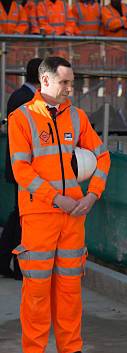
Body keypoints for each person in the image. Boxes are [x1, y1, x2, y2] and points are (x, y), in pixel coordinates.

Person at [8, 56, 111, 353]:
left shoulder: (77, 118)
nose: (71, 88)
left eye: (72, 82)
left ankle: (70, 348)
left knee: (69, 286)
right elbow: (20, 169)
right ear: (46, 81)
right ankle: (34, 352)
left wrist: (92, 195)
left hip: (74, 217)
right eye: (65, 82)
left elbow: (102, 156)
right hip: (40, 215)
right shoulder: (22, 117)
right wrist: (56, 199)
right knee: (36, 287)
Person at [0, 57, 42, 280]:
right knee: (22, 217)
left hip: (21, 166)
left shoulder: (21, 96)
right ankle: (16, 265)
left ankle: (7, 261)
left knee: (18, 215)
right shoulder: (24, 98)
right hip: (23, 168)